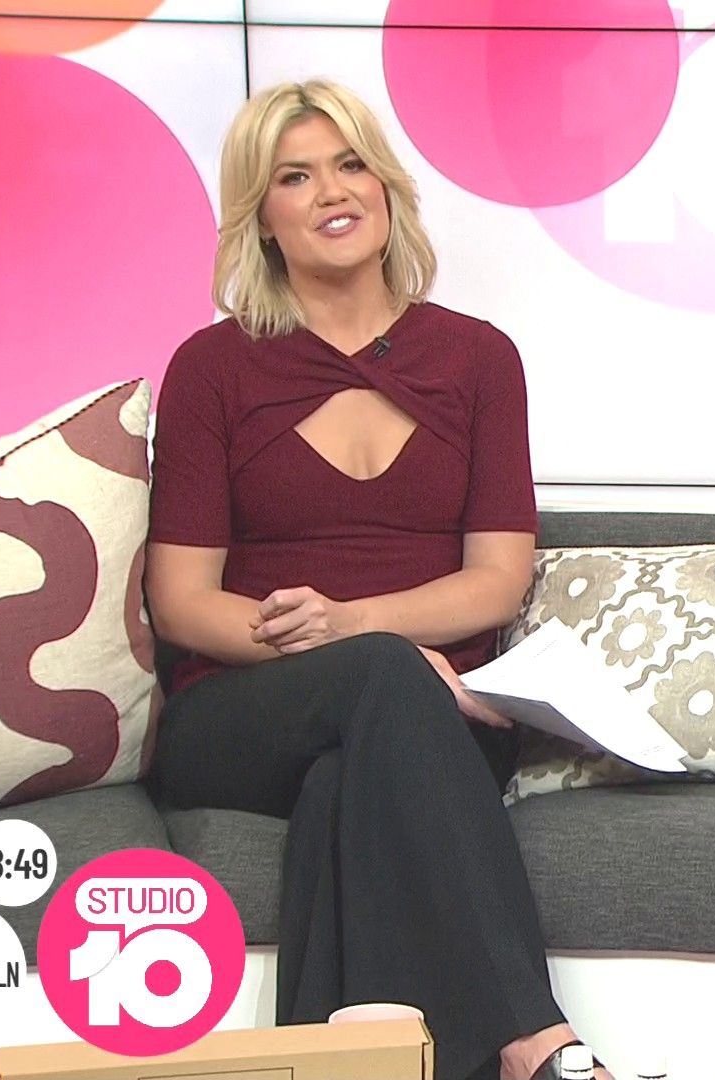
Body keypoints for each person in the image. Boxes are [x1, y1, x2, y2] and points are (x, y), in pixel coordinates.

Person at [145, 80, 608, 1080]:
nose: (331, 192)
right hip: (244, 709)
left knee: (342, 788)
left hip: (432, 716)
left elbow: (496, 581)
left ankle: (330, 1063)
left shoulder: (479, 360)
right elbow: (180, 601)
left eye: (350, 164)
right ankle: (537, 1040)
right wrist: (349, 651)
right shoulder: (212, 370)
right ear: (261, 216)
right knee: (387, 681)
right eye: (295, 177)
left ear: (387, 187)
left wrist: (355, 627)